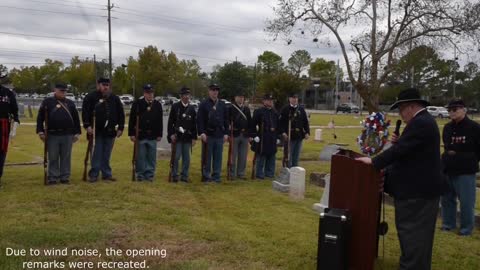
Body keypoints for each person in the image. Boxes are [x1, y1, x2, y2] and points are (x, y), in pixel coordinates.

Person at [356, 88, 444, 270]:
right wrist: (399, 143)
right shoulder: (422, 122)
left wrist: (373, 162)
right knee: (415, 239)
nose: (401, 115)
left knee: (414, 237)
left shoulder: (422, 123)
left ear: (410, 107)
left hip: (417, 194)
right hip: (417, 192)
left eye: (401, 110)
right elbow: (408, 152)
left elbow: (400, 152)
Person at [440, 99, 480, 236]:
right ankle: (448, 224)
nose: (451, 112)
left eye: (455, 109)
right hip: (448, 168)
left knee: (466, 202)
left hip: (465, 170)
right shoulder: (447, 127)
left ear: (464, 109)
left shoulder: (474, 127)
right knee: (446, 199)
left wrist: (468, 159)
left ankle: (466, 229)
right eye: (449, 110)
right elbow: (447, 146)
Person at [81, 77, 125, 182]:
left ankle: (106, 174)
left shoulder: (114, 98)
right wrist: (88, 126)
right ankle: (94, 174)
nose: (105, 87)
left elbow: (120, 113)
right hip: (96, 131)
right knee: (97, 153)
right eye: (103, 85)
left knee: (106, 153)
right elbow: (85, 113)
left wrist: (121, 127)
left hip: (110, 131)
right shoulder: (91, 97)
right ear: (98, 85)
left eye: (107, 85)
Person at [36, 83, 81, 184]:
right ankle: (53, 177)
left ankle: (65, 176)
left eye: (64, 91)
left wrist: (77, 132)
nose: (63, 92)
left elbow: (76, 119)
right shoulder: (47, 102)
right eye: (61, 90)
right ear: (55, 90)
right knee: (53, 156)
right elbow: (40, 118)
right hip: (52, 134)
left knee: (66, 156)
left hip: (67, 134)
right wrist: (40, 131)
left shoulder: (70, 103)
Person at [128, 84, 163, 181]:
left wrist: (160, 134)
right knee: (141, 156)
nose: (150, 95)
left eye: (151, 93)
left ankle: (150, 175)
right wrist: (131, 134)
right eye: (148, 93)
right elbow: (132, 120)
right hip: (141, 134)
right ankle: (140, 174)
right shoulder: (137, 103)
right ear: (144, 93)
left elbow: (160, 120)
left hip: (153, 135)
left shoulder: (157, 104)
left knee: (151, 157)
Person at [197, 84, 229, 183]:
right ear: (209, 91)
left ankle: (216, 176)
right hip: (208, 135)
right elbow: (200, 120)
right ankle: (206, 176)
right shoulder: (203, 104)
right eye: (213, 90)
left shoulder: (222, 104)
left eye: (216, 90)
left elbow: (226, 120)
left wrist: (226, 133)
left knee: (218, 157)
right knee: (207, 157)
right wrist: (201, 132)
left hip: (219, 134)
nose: (215, 92)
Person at [167, 87, 197, 183]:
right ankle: (175, 175)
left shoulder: (192, 108)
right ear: (181, 96)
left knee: (186, 158)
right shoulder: (175, 106)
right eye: (184, 95)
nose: (186, 97)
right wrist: (171, 134)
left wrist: (194, 137)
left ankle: (184, 176)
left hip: (187, 137)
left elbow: (194, 124)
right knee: (176, 157)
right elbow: (170, 122)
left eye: (188, 95)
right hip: (177, 136)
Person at [250, 94, 279, 179]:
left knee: (271, 156)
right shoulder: (259, 111)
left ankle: (270, 173)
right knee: (261, 156)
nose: (270, 101)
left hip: (272, 137)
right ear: (264, 101)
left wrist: (278, 137)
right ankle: (259, 174)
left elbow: (278, 126)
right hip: (262, 137)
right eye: (268, 100)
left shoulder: (275, 112)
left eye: (271, 100)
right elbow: (252, 125)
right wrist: (254, 135)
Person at [279, 93, 310, 167]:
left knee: (296, 155)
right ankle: (287, 169)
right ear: (289, 99)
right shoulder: (285, 109)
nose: (295, 99)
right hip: (289, 136)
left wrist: (307, 132)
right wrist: (283, 132)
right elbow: (280, 123)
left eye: (296, 98)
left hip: (299, 136)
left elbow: (305, 122)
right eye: (293, 98)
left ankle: (295, 170)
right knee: (288, 155)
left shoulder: (301, 109)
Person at [228, 91, 252, 179]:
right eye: (239, 97)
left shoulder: (246, 109)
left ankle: (241, 173)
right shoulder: (230, 108)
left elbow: (250, 123)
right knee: (233, 156)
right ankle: (232, 173)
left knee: (243, 156)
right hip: (234, 134)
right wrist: (228, 133)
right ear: (235, 98)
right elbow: (227, 122)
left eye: (242, 97)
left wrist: (249, 135)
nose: (241, 98)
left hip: (245, 134)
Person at [0, 79, 19, 186]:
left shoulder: (8, 93)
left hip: (3, 125)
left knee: (1, 151)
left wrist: (15, 126)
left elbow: (15, 111)